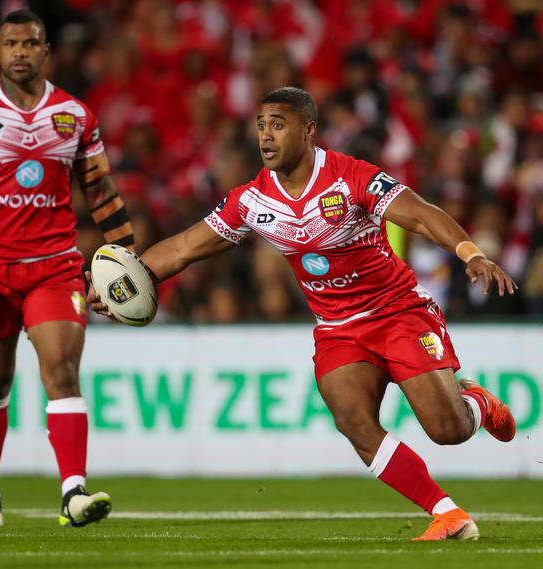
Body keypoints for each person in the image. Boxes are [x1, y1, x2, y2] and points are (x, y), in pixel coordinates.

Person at [89, 87, 519, 540]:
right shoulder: (253, 201)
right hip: (337, 329)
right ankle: (447, 513)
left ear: (308, 130)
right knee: (353, 421)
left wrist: (470, 253)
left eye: (278, 124)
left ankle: (478, 401)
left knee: (448, 430)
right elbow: (181, 249)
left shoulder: (351, 177)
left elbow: (421, 214)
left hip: (397, 312)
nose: (266, 136)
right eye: (261, 125)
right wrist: (124, 283)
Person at [0, 10, 136, 528]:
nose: (20, 51)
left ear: (47, 52)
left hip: (54, 268)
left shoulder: (76, 116)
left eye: (30, 43)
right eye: (10, 43)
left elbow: (102, 193)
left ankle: (73, 492)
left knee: (63, 374)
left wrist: (127, 261)